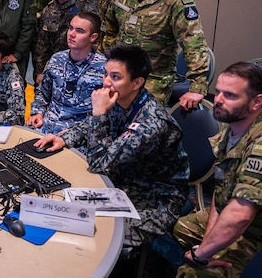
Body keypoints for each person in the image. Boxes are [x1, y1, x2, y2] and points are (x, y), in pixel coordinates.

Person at [35, 45, 189, 263]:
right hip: (122, 178)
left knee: (97, 245)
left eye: (115, 77)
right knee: (64, 214)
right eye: (106, 74)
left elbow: (99, 163)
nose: (106, 82)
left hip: (154, 197)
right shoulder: (122, 98)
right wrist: (64, 138)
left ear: (137, 83)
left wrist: (98, 111)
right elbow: (90, 126)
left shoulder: (151, 124)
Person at [173, 62, 262, 278]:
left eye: (230, 95)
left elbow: (240, 215)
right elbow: (221, 192)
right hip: (243, 215)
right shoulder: (233, 129)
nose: (217, 100)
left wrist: (200, 256)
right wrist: (207, 247)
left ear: (257, 102)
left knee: (190, 274)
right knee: (181, 228)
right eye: (217, 92)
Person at [103, 0, 210, 108]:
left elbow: (193, 43)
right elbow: (111, 28)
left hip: (154, 78)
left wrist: (197, 86)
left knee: (140, 125)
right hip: (120, 74)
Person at [26, 12, 106, 137]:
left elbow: (105, 113)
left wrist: (76, 135)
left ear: (93, 37)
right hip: (46, 126)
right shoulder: (57, 58)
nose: (71, 34)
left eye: (80, 31)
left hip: (77, 135)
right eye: (70, 28)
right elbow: (42, 93)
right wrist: (37, 113)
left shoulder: (103, 68)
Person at [33, 0, 101, 85]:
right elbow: (42, 44)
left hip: (85, 64)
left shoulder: (86, 1)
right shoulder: (48, 10)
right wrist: (39, 71)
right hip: (57, 65)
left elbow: (96, 35)